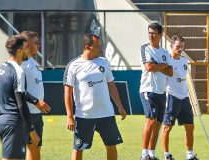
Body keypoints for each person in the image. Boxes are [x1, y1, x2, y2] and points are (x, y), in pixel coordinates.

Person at [63, 32, 126, 160]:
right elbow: (67, 92)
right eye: (97, 46)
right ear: (87, 46)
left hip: (106, 114)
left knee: (111, 145)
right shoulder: (74, 65)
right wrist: (70, 116)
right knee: (78, 148)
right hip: (84, 115)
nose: (100, 49)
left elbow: (112, 86)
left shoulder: (103, 62)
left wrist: (120, 106)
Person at [0, 35, 40, 160]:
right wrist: (31, 130)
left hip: (0, 121)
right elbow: (21, 103)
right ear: (20, 51)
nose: (28, 51)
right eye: (26, 48)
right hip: (13, 123)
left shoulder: (1, 68)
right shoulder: (18, 71)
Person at [161, 35, 198, 160]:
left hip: (184, 98)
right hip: (172, 96)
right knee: (167, 127)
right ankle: (167, 155)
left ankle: (190, 155)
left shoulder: (184, 60)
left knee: (190, 126)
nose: (180, 49)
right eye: (177, 46)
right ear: (171, 46)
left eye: (182, 46)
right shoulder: (166, 61)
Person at [139, 22, 173, 160]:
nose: (150, 35)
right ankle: (144, 154)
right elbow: (149, 67)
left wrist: (159, 65)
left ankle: (152, 154)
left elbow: (170, 72)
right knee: (151, 121)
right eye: (149, 32)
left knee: (158, 124)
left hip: (161, 91)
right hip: (148, 89)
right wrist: (163, 66)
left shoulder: (165, 52)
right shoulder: (145, 48)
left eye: (153, 33)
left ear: (160, 35)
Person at [20, 31, 51, 160]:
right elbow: (18, 90)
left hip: (36, 114)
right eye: (36, 43)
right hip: (24, 114)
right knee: (17, 152)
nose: (39, 45)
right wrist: (36, 101)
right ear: (27, 44)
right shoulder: (19, 63)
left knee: (35, 147)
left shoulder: (32, 61)